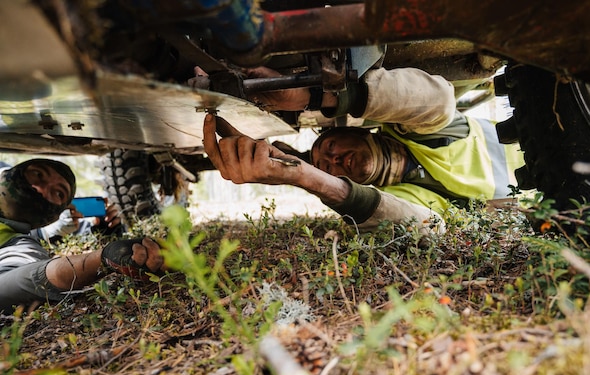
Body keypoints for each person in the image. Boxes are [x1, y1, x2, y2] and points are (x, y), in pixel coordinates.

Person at [201, 66, 526, 233]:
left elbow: (436, 101)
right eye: (327, 168)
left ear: (358, 131)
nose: (333, 159)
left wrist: (313, 97)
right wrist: (305, 178)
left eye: (328, 146)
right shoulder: (404, 197)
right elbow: (421, 224)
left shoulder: (421, 130)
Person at [0, 158, 165, 314]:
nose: (40, 189)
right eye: (38, 174)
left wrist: (103, 257)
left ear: (53, 217)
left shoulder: (17, 245)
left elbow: (15, 283)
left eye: (58, 193)